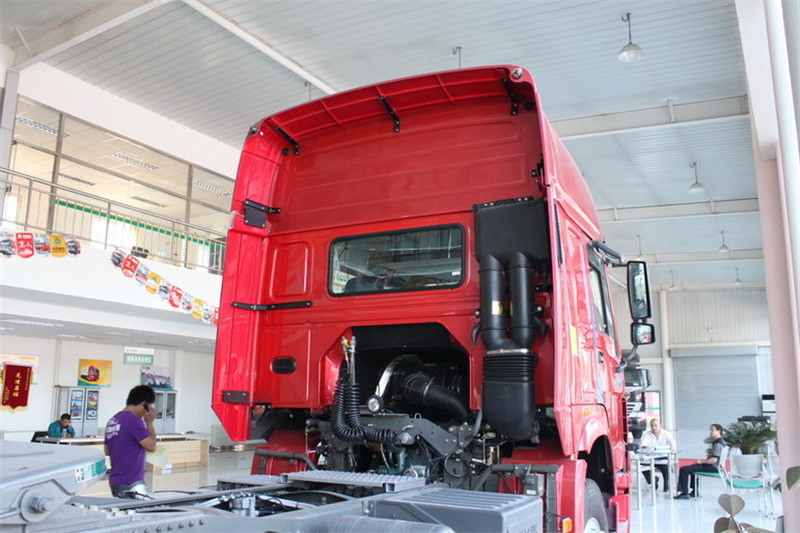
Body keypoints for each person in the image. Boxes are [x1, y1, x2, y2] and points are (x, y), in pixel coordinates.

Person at [104, 385, 157, 498]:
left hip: (116, 481)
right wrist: (149, 423)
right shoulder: (133, 420)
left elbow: (107, 450)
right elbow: (151, 446)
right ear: (144, 404)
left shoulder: (113, 420)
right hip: (132, 481)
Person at [674, 423, 726, 499]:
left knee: (684, 469)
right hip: (715, 466)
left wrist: (701, 462)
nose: (710, 432)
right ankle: (694, 492)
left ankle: (684, 493)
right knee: (693, 467)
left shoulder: (718, 444)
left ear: (718, 431)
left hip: (713, 467)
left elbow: (714, 460)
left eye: (712, 430)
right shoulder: (721, 442)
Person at [639, 418, 677, 492]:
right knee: (642, 467)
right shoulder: (646, 434)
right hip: (651, 458)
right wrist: (644, 447)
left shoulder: (666, 434)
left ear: (659, 425)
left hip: (664, 458)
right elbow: (643, 444)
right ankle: (653, 480)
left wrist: (671, 449)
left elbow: (673, 444)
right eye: (652, 426)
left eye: (655, 425)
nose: (654, 428)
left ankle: (666, 485)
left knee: (666, 469)